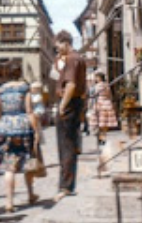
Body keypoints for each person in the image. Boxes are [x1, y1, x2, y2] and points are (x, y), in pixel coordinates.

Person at [0, 62, 40, 212]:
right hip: (22, 127)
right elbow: (29, 109)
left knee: (9, 166)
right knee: (27, 162)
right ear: (20, 72)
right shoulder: (24, 88)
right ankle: (31, 194)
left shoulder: (1, 90)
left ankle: (9, 202)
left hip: (5, 127)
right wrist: (36, 129)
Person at [53, 29, 87, 201]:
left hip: (69, 104)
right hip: (75, 104)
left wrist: (62, 105)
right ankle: (67, 184)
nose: (57, 49)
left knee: (65, 145)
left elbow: (71, 85)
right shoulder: (78, 58)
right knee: (70, 145)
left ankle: (65, 186)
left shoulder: (72, 59)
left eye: (58, 46)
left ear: (65, 42)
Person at [91, 72, 118, 146]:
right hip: (107, 103)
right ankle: (103, 137)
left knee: (99, 122)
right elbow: (110, 95)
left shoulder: (98, 85)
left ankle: (100, 137)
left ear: (99, 78)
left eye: (96, 77)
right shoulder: (107, 85)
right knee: (104, 122)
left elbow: (94, 94)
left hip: (100, 102)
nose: (95, 79)